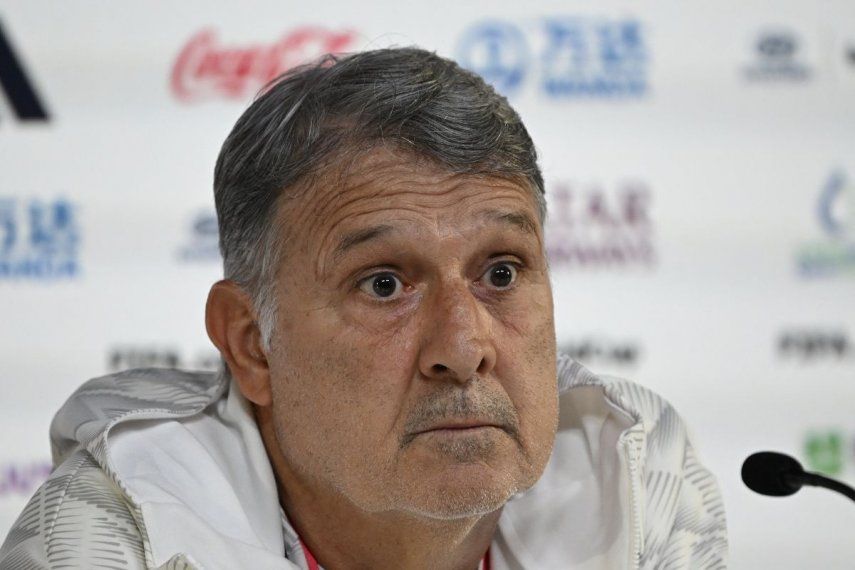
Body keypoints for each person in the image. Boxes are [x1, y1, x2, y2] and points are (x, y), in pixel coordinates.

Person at [0, 47, 727, 569]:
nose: (463, 346)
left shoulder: (631, 477)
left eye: (500, 272)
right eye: (384, 284)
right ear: (252, 345)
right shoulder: (113, 537)